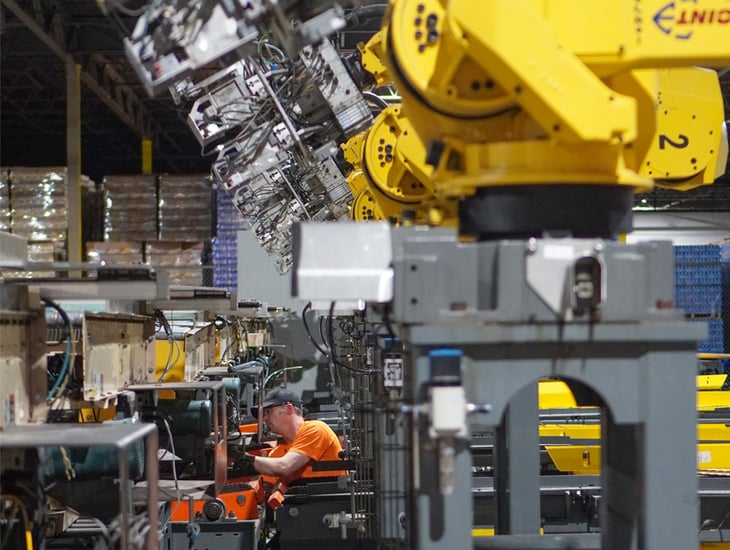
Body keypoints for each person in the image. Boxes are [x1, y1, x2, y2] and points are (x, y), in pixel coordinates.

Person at [236, 388, 346, 484]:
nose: (264, 418)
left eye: (268, 412)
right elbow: (265, 486)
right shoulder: (278, 452)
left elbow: (284, 466)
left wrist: (245, 459)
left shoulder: (316, 430)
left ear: (289, 408)